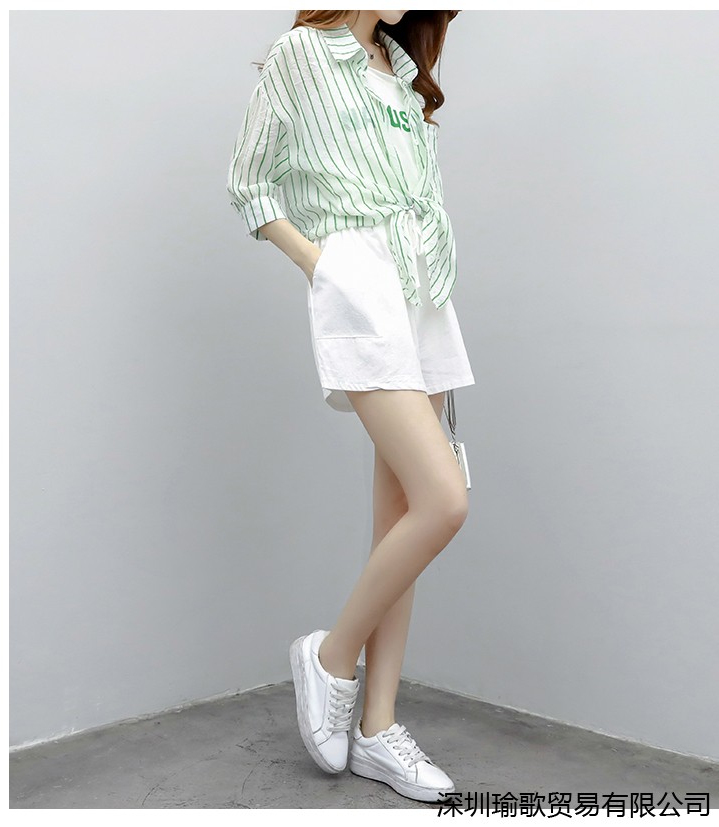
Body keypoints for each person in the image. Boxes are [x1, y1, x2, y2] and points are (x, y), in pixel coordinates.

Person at [227, 10, 475, 803]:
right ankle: (332, 654)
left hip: (424, 291)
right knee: (444, 501)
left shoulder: (400, 71)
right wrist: (324, 266)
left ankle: (377, 727)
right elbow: (249, 182)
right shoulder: (303, 54)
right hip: (361, 283)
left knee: (401, 514)